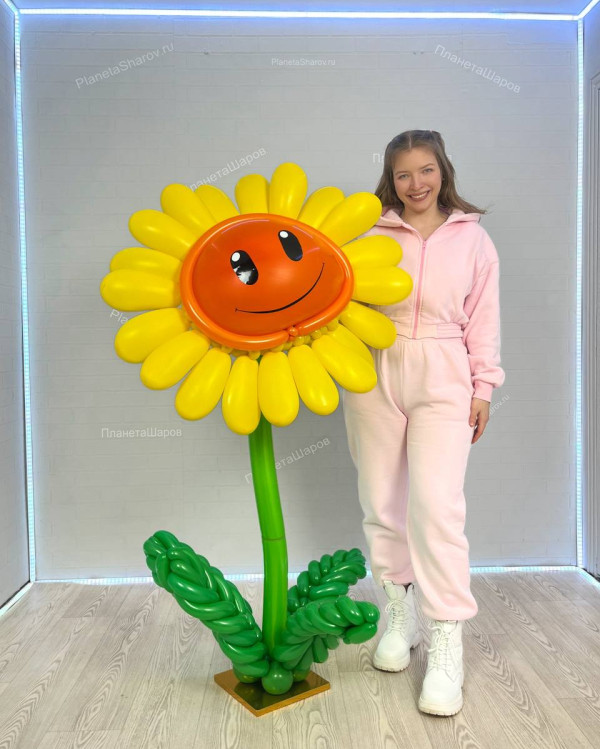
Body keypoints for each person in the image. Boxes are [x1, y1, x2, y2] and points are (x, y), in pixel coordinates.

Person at [342, 129, 505, 717]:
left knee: (436, 507)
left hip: (445, 370)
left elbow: (483, 318)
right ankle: (401, 614)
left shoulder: (473, 239)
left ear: (443, 171)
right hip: (375, 369)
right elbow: (342, 299)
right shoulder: (369, 233)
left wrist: (484, 386)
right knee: (381, 500)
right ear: (391, 178)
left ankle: (445, 640)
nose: (416, 184)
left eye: (426, 170)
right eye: (404, 174)